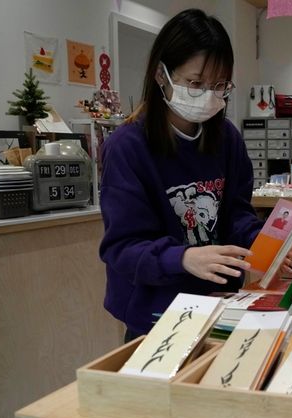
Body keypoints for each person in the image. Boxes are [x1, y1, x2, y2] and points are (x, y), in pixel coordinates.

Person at [99, 9, 270, 342]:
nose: (208, 95)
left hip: (219, 305)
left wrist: (269, 242)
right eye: (195, 83)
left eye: (220, 86)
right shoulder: (127, 147)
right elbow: (122, 248)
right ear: (161, 75)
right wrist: (184, 257)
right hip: (155, 315)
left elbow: (236, 215)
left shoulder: (226, 138)